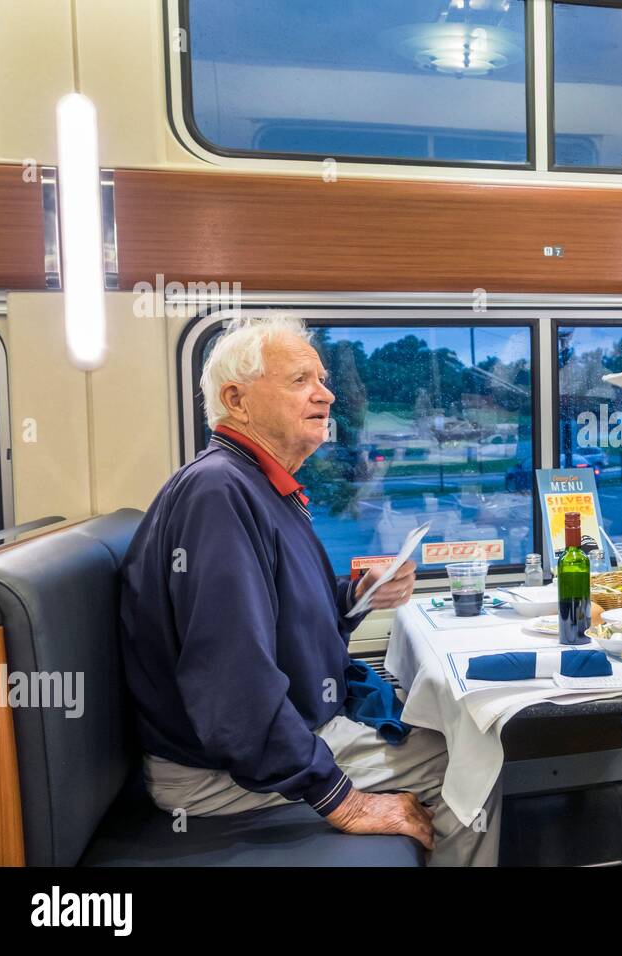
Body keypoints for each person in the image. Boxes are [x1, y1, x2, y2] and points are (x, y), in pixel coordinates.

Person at [119, 314, 499, 866]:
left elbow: (276, 618)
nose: (326, 394)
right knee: (470, 763)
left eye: (322, 379)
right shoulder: (219, 494)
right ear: (237, 399)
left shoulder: (261, 486)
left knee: (451, 739)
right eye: (301, 380)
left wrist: (356, 595)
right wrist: (343, 802)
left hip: (268, 736)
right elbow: (231, 684)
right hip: (216, 773)